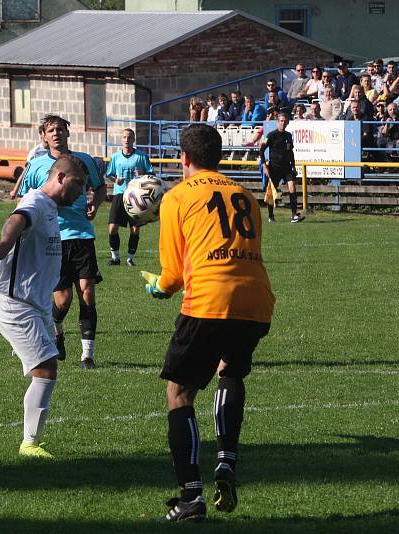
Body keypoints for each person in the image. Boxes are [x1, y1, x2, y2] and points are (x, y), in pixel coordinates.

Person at [147, 124, 274, 522]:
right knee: (229, 370)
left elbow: (172, 274)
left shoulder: (176, 197)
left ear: (183, 158)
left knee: (179, 394)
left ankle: (190, 498)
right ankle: (225, 462)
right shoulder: (245, 194)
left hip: (209, 300)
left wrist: (157, 288)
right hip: (255, 299)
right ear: (218, 156)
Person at [0, 154, 87, 458]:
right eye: (77, 185)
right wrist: (7, 241)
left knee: (46, 365)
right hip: (18, 304)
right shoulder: (36, 202)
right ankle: (29, 443)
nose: (80, 193)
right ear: (60, 177)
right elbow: (16, 220)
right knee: (46, 370)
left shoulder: (51, 208)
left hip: (35, 304)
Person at [16, 114, 106, 369]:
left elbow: (99, 188)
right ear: (43, 136)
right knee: (62, 299)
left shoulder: (83, 161)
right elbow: (23, 200)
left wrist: (94, 204)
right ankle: (57, 331)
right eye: (51, 130)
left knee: (87, 293)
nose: (56, 133)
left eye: (60, 129)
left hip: (82, 235)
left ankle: (87, 355)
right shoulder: (35, 166)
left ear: (68, 133)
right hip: (52, 238)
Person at [105, 128, 154, 267]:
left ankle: (130, 259)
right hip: (119, 194)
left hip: (136, 196)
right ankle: (115, 258)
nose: (127, 140)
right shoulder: (115, 157)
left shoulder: (141, 156)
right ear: (121, 140)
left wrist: (143, 174)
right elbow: (109, 174)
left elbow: (152, 174)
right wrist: (115, 180)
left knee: (135, 229)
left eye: (129, 137)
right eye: (124, 137)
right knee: (112, 228)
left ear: (133, 140)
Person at [260, 113, 302, 223]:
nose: (283, 123)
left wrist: (293, 166)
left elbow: (290, 152)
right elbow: (261, 151)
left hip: (287, 167)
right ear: (277, 122)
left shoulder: (288, 136)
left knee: (292, 187)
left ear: (287, 122)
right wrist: (264, 165)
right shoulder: (271, 135)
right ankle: (270, 215)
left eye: (285, 121)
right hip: (274, 168)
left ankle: (294, 215)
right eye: (281, 121)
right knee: (271, 192)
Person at [10, 121, 49, 200]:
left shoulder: (55, 151)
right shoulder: (35, 152)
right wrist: (15, 190)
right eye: (43, 133)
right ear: (41, 135)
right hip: (36, 192)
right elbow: (25, 172)